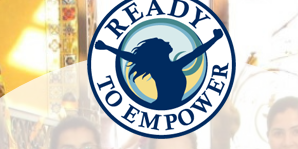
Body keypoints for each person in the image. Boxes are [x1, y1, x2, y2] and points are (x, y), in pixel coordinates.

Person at [94, 30, 223, 110]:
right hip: (163, 107)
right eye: (163, 42)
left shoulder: (172, 65)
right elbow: (129, 56)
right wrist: (106, 47)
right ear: (159, 51)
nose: (167, 42)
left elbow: (198, 52)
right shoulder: (159, 68)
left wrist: (215, 39)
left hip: (167, 108)